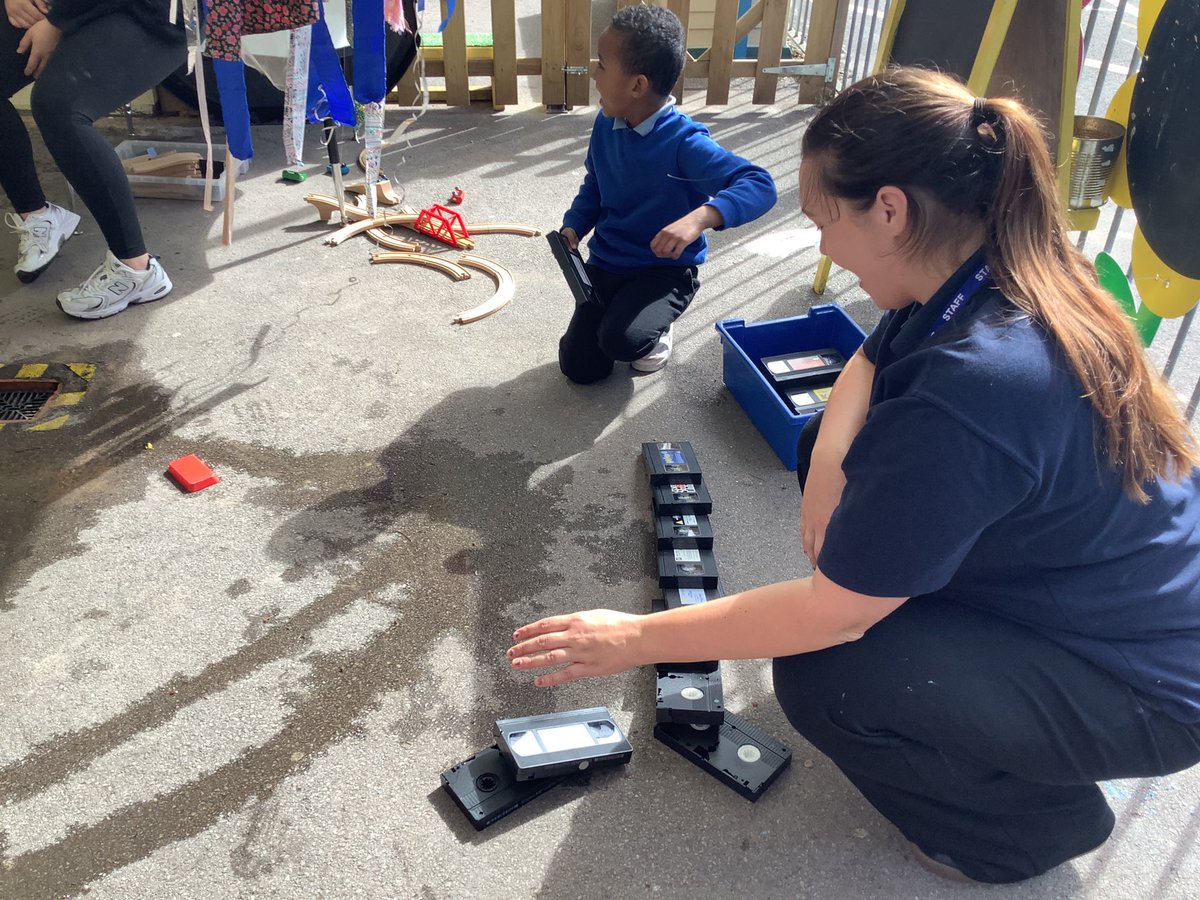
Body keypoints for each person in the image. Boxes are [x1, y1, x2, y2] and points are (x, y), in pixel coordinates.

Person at [507, 68, 1200, 884]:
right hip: (1088, 581)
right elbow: (873, 355)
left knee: (831, 673)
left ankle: (1025, 830)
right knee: (820, 447)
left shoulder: (978, 386)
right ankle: (978, 679)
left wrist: (630, 638)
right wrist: (831, 462)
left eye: (824, 221)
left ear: (891, 208)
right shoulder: (984, 268)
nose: (825, 247)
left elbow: (831, 617)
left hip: (1144, 685)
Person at [557, 4, 776, 381]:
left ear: (637, 85)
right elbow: (595, 182)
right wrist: (575, 224)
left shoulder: (684, 143)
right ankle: (625, 318)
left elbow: (760, 184)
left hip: (664, 272)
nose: (594, 74)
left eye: (603, 65)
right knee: (579, 367)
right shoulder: (607, 121)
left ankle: (657, 327)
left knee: (622, 341)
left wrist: (700, 218)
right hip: (608, 263)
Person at [1, 0, 183, 318]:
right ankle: (37, 216)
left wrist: (58, 21)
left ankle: (136, 270)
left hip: (148, 11)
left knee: (59, 106)